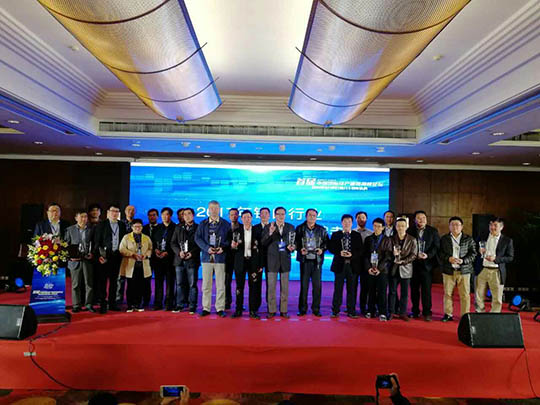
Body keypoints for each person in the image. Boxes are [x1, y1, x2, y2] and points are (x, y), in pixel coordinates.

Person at [194, 200, 230, 317]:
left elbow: (229, 239)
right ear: (208, 209)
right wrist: (206, 248)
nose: (214, 210)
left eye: (216, 208)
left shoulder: (225, 224)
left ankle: (220, 308)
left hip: (220, 258)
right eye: (211, 208)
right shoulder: (203, 223)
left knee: (220, 285)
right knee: (206, 285)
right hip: (207, 257)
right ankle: (206, 308)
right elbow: (197, 238)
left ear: (219, 209)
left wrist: (222, 248)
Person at [439, 216, 477, 321]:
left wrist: (463, 261)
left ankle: (465, 315)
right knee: (448, 293)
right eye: (452, 224)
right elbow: (440, 253)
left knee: (465, 294)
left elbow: (473, 254)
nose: (455, 227)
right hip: (448, 270)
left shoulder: (468, 239)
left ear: (462, 226)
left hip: (464, 271)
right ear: (449, 226)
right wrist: (448, 258)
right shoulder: (444, 239)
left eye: (457, 225)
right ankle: (448, 314)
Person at [262, 206, 296, 318]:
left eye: (282, 214)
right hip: (272, 261)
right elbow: (263, 243)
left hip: (285, 260)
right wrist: (270, 233)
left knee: (285, 288)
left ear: (285, 215)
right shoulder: (268, 227)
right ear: (274, 215)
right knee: (271, 287)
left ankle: (283, 310)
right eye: (278, 214)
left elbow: (295, 242)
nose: (280, 216)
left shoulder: (290, 227)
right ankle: (271, 310)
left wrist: (293, 247)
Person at [93, 204, 127, 313]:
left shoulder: (122, 225)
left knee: (114, 281)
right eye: (113, 211)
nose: (115, 213)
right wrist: (98, 256)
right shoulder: (101, 224)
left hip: (117, 256)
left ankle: (112, 303)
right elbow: (97, 242)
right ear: (108, 212)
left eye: (117, 211)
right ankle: (103, 304)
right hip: (104, 257)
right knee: (103, 282)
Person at [328, 214, 363, 318]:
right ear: (341, 223)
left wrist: (352, 255)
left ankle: (351, 310)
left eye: (349, 221)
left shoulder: (356, 235)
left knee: (352, 289)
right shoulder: (336, 234)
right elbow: (331, 248)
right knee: (338, 289)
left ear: (352, 223)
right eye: (345, 221)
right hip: (340, 265)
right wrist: (339, 252)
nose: (347, 223)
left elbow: (360, 250)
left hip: (352, 265)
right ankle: (335, 310)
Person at [475, 217, 514, 313]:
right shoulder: (482, 236)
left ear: (501, 227)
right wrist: (478, 251)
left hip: (497, 271)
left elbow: (510, 257)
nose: (492, 227)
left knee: (497, 297)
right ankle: (479, 313)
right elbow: (474, 250)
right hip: (482, 269)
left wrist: (496, 259)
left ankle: (495, 315)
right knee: (478, 295)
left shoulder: (507, 240)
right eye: (491, 225)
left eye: (495, 225)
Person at [407, 210, 440, 322]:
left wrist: (428, 255)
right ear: (414, 220)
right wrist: (414, 254)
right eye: (419, 218)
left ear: (426, 219)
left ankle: (427, 312)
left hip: (427, 265)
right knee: (414, 290)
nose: (421, 220)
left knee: (426, 290)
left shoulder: (432, 231)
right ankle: (415, 311)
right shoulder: (410, 231)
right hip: (413, 264)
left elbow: (436, 247)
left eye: (423, 218)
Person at [231, 210, 263, 319]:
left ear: (252, 218)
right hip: (240, 262)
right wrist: (233, 246)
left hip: (254, 263)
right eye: (244, 217)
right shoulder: (236, 231)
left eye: (248, 217)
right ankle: (238, 309)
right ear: (241, 219)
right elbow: (232, 249)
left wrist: (261, 265)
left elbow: (261, 249)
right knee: (239, 287)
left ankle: (253, 310)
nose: (246, 219)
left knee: (253, 287)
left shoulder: (257, 231)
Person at [295, 208, 328, 317]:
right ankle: (302, 309)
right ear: (306, 216)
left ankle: (316, 309)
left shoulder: (322, 229)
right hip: (304, 261)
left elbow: (326, 243)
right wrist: (300, 249)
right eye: (310, 215)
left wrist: (322, 249)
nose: (312, 217)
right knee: (304, 286)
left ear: (316, 217)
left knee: (317, 286)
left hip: (316, 261)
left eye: (314, 215)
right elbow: (295, 242)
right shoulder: (300, 228)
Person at [64, 209, 95, 313]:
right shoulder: (70, 230)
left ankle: (89, 304)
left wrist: (92, 254)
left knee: (89, 284)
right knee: (75, 284)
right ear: (76, 218)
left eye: (85, 217)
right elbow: (66, 245)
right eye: (81, 217)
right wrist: (70, 257)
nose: (84, 219)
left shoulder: (91, 229)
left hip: (87, 260)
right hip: (74, 261)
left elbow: (94, 243)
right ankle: (76, 305)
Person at [171, 208, 200, 314]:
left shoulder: (198, 227)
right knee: (179, 284)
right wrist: (179, 252)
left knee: (192, 284)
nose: (187, 216)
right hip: (179, 260)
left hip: (192, 260)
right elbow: (173, 243)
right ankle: (179, 304)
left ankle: (192, 305)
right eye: (184, 214)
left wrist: (192, 253)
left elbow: (200, 244)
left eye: (189, 214)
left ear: (193, 215)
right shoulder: (178, 227)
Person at [119, 219, 152, 312]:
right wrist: (132, 254)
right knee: (130, 286)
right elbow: (122, 249)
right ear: (132, 227)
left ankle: (138, 304)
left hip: (142, 265)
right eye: (135, 226)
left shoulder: (146, 238)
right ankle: (130, 305)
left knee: (140, 286)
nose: (137, 228)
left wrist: (146, 255)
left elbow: (150, 248)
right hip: (131, 265)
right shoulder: (126, 237)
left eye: (139, 226)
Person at [363, 217, 393, 321]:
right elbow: (365, 255)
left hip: (382, 270)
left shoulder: (387, 239)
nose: (377, 228)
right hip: (370, 269)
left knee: (382, 291)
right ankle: (370, 310)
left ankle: (382, 312)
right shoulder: (368, 239)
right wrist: (369, 268)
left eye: (379, 226)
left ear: (383, 227)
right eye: (375, 226)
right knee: (370, 291)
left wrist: (379, 268)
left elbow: (388, 256)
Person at [388, 218, 417, 321]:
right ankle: (391, 311)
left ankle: (403, 313)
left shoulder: (412, 239)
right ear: (396, 227)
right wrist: (393, 255)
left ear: (406, 227)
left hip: (406, 269)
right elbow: (387, 253)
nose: (400, 228)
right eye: (398, 226)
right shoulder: (391, 239)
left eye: (403, 226)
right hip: (394, 268)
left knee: (405, 293)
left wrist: (403, 261)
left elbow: (414, 255)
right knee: (392, 292)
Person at [152, 207, 176, 311]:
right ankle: (158, 303)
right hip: (158, 259)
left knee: (170, 282)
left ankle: (169, 303)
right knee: (158, 282)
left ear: (170, 216)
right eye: (163, 215)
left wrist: (168, 252)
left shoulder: (175, 227)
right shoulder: (157, 228)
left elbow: (176, 243)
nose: (165, 217)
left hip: (170, 259)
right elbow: (152, 241)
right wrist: (155, 250)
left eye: (167, 214)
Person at [116, 204, 136, 306]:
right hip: (121, 254)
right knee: (120, 278)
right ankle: (118, 299)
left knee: (132, 279)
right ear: (124, 211)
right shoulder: (120, 223)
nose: (130, 212)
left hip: (134, 255)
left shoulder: (137, 223)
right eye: (129, 210)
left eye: (132, 210)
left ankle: (131, 300)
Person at [355, 211, 373, 316]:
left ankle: (363, 308)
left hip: (366, 264)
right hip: (354, 263)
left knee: (365, 287)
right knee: (352, 287)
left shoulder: (371, 233)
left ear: (366, 219)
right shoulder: (352, 232)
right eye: (359, 217)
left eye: (363, 217)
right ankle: (351, 307)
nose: (361, 219)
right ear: (356, 219)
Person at [142, 208, 160, 308]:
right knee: (146, 280)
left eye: (154, 215)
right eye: (150, 215)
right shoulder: (143, 228)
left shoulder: (161, 228)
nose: (152, 217)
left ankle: (158, 302)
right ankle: (146, 300)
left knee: (158, 281)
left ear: (157, 216)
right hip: (146, 258)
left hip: (158, 258)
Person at [225, 208, 240, 310]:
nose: (233, 216)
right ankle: (227, 302)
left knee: (239, 282)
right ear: (228, 216)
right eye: (231, 215)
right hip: (227, 258)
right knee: (227, 282)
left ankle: (239, 303)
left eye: (235, 214)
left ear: (238, 216)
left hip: (239, 258)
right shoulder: (225, 227)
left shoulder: (242, 227)